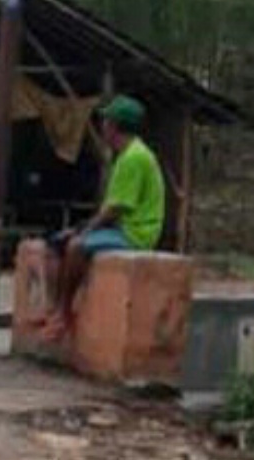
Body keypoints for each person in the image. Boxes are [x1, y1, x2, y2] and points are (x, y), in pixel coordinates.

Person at [46, 95, 165, 337]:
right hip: (123, 227)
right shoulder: (127, 154)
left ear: (113, 125)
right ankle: (55, 308)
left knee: (77, 246)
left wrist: (86, 230)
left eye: (105, 121)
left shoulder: (134, 158)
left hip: (136, 233)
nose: (102, 126)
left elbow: (116, 208)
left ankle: (63, 314)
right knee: (56, 243)